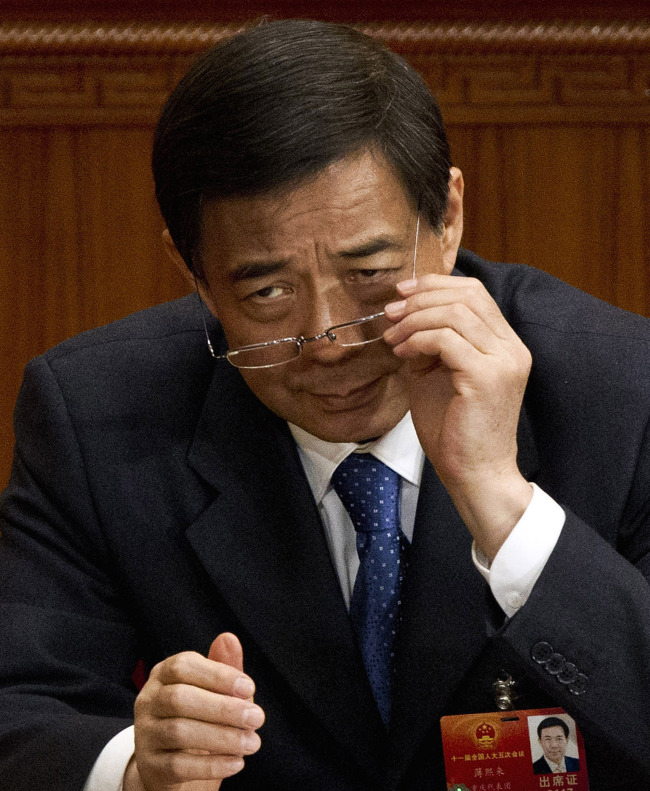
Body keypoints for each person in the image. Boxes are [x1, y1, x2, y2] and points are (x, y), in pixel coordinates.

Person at [0, 18, 649, 791]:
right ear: (195, 273)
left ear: (447, 218)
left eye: (370, 271)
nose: (324, 339)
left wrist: (502, 502)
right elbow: (21, 707)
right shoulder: (95, 415)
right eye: (267, 290)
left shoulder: (620, 385)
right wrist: (137, 768)